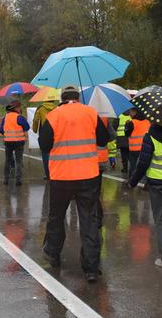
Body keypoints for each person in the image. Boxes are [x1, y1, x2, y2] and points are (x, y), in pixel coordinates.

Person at [38, 85, 109, 283]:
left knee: (56, 216)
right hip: (88, 176)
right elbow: (103, 139)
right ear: (78, 97)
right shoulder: (90, 113)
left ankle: (53, 254)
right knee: (89, 220)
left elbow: (44, 144)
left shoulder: (54, 116)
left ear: (62, 98)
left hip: (61, 178)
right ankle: (91, 268)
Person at [128, 123, 162, 269]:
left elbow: (143, 164)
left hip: (157, 181)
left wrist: (132, 182)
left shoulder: (150, 137)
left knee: (159, 218)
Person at [0, 100, 29, 186]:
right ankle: (18, 180)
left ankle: (6, 179)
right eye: (19, 107)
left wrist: (8, 134)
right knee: (18, 161)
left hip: (8, 142)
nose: (20, 109)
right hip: (19, 142)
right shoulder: (19, 117)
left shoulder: (6, 117)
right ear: (16, 108)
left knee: (7, 160)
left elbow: (1, 130)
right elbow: (27, 127)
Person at [32, 99, 58, 180]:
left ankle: (48, 175)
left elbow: (36, 120)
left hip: (44, 133)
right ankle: (55, 173)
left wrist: (35, 129)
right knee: (55, 154)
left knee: (45, 153)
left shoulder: (41, 108)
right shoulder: (57, 108)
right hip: (55, 133)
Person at [126, 110, 151, 182]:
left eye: (130, 112)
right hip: (145, 148)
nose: (129, 114)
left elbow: (127, 134)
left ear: (135, 112)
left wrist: (126, 126)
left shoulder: (132, 122)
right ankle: (146, 182)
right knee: (145, 165)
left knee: (133, 165)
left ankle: (131, 181)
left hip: (134, 148)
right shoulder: (147, 122)